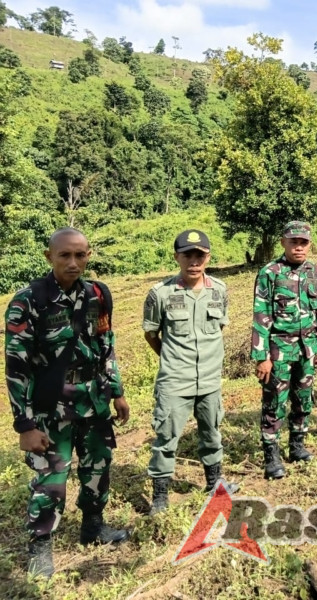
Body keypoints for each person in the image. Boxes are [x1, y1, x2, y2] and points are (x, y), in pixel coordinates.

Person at [5, 227, 130, 578]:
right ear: (50, 257)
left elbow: (107, 346)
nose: (74, 262)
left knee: (98, 469)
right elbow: (16, 369)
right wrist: (25, 426)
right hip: (51, 408)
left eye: (81, 254)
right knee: (51, 480)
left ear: (88, 255)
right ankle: (40, 547)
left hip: (94, 401)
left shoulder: (98, 294)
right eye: (65, 255)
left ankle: (93, 527)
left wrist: (117, 391)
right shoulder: (28, 302)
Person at [143, 230, 237, 515]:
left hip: (209, 379)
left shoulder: (219, 290)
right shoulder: (161, 293)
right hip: (175, 380)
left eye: (200, 255)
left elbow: (219, 328)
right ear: (177, 257)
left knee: (211, 432)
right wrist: (172, 359)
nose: (194, 261)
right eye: (187, 255)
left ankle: (214, 483)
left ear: (207, 256)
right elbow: (152, 334)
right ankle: (160, 495)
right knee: (166, 437)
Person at [252, 221, 317, 478]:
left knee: (303, 399)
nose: (299, 247)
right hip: (279, 350)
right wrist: (261, 356)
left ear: (309, 244)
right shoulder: (270, 272)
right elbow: (261, 315)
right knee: (275, 402)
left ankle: (297, 445)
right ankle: (272, 455)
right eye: (293, 242)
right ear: (283, 243)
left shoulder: (316, 272)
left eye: (303, 242)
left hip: (307, 348)